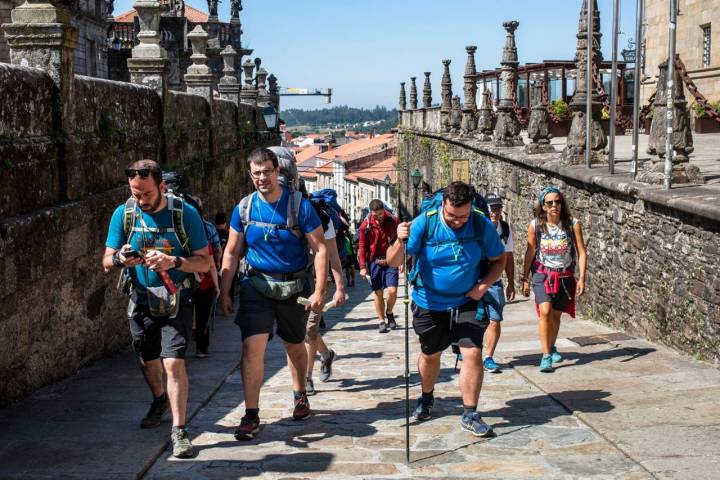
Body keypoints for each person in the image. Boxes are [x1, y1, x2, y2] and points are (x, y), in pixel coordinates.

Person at [102, 159, 211, 458]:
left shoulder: (184, 214)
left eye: (146, 194)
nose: (140, 201)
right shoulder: (123, 215)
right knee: (147, 359)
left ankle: (179, 431)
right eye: (135, 194)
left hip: (176, 299)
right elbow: (106, 261)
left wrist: (174, 262)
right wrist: (121, 259)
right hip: (140, 299)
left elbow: (204, 261)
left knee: (173, 362)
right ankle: (159, 398)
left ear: (162, 186)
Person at [219, 148, 328, 441]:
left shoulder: (299, 205)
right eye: (256, 174)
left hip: (294, 287)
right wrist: (224, 291)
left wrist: (320, 289)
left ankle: (300, 394)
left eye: (266, 171)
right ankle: (251, 414)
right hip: (257, 285)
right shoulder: (243, 209)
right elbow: (231, 252)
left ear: (277, 170)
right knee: (252, 348)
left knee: (294, 344)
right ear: (250, 175)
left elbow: (319, 248)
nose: (262, 178)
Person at [386, 181, 505, 437]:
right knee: (431, 354)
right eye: (452, 216)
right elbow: (393, 260)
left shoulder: (480, 223)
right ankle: (427, 396)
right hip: (429, 301)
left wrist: (483, 286)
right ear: (443, 205)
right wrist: (399, 240)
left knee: (472, 352)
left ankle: (470, 413)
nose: (459, 221)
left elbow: (499, 259)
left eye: (464, 216)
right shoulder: (424, 222)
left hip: (467, 300)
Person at [270, 146, 346, 396]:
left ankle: (308, 376)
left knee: (309, 330)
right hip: (286, 281)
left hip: (314, 284)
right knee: (302, 332)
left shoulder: (318, 215)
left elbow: (332, 254)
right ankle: (326, 353)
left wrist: (338, 287)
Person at [520, 186, 587, 373]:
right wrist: (524, 277)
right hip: (543, 274)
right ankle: (546, 355)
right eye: (549, 203)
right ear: (543, 206)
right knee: (546, 311)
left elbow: (581, 252)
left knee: (556, 316)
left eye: (557, 201)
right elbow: (530, 251)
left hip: (564, 275)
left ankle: (551, 345)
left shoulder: (572, 224)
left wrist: (582, 277)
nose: (554, 206)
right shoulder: (535, 225)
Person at [481, 194, 516, 373]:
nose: (495, 212)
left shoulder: (505, 229)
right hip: (476, 282)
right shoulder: (479, 228)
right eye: (491, 208)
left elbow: (508, 257)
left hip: (495, 283)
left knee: (495, 320)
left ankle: (488, 357)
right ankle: (468, 351)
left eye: (497, 208)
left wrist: (511, 282)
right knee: (476, 320)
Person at [358, 199, 400, 333]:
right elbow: (362, 246)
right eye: (375, 215)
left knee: (392, 291)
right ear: (371, 213)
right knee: (378, 292)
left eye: (381, 214)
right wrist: (363, 266)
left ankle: (389, 312)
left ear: (384, 210)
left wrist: (403, 260)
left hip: (391, 259)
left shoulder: (393, 220)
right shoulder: (366, 225)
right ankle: (381, 320)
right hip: (374, 261)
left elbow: (402, 240)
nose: (379, 217)